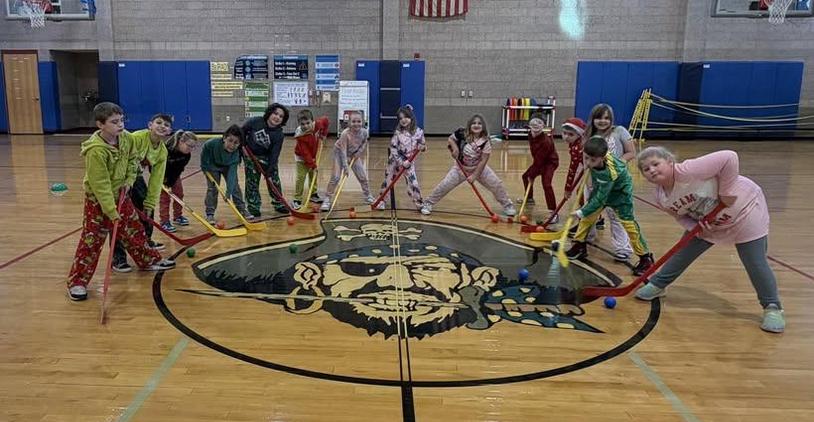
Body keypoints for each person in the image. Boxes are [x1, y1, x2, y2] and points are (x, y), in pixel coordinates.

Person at [635, 147, 784, 333]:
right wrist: (695, 228)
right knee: (684, 252)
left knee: (754, 261)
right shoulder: (660, 197)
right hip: (710, 223)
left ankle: (772, 307)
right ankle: (658, 284)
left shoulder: (689, 170)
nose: (652, 170)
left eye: (656, 164)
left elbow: (730, 157)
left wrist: (726, 192)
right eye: (646, 169)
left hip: (746, 211)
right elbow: (680, 216)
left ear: (670, 162)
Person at [67, 102, 175, 301]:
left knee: (134, 230)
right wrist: (111, 211)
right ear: (100, 125)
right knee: (91, 240)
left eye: (122, 120)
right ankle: (78, 282)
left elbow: (132, 160)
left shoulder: (125, 139)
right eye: (114, 122)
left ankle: (147, 260)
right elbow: (100, 184)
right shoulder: (96, 151)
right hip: (98, 201)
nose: (120, 125)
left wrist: (128, 181)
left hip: (122, 194)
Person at [566, 136, 654, 276]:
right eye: (586, 158)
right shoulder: (598, 157)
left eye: (592, 160)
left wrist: (580, 212)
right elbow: (599, 192)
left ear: (602, 158)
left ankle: (646, 258)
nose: (588, 163)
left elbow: (600, 199)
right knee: (587, 218)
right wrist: (585, 212)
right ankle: (579, 245)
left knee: (629, 225)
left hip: (620, 195)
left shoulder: (609, 172)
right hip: (602, 188)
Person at [421, 114, 516, 216]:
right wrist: (455, 148)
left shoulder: (486, 142)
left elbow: (483, 161)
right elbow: (451, 139)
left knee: (496, 184)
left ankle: (507, 205)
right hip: (460, 169)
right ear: (469, 125)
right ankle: (428, 203)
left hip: (479, 169)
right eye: (474, 123)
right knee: (445, 185)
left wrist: (475, 175)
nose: (476, 125)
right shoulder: (461, 133)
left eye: (479, 123)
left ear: (483, 126)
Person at [111, 113, 172, 272]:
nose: (162, 126)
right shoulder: (137, 137)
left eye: (166, 125)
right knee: (119, 217)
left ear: (169, 131)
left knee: (147, 209)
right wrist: (123, 183)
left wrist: (150, 203)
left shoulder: (162, 152)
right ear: (150, 125)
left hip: (134, 177)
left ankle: (146, 244)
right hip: (118, 177)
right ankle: (118, 258)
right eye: (158, 122)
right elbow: (122, 156)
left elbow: (156, 180)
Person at [586, 103, 637, 258]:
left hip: (616, 182)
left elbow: (631, 152)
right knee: (589, 212)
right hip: (596, 181)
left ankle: (623, 249)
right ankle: (584, 240)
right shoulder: (589, 136)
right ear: (593, 119)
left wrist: (614, 167)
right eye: (599, 117)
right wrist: (587, 181)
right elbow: (586, 160)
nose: (603, 121)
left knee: (615, 215)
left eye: (607, 118)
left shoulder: (619, 131)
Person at [242, 103, 289, 216]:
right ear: (269, 113)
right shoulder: (256, 121)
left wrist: (270, 170)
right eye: (275, 113)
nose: (277, 117)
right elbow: (241, 131)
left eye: (281, 116)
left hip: (267, 157)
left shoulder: (279, 135)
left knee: (274, 180)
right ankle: (253, 206)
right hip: (250, 155)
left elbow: (274, 154)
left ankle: (279, 203)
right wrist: (243, 147)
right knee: (252, 181)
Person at [375, 106, 426, 210]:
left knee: (413, 183)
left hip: (409, 163)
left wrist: (423, 147)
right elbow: (393, 148)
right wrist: (401, 162)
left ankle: (419, 204)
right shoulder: (398, 133)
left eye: (406, 117)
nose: (403, 120)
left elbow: (423, 144)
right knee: (388, 181)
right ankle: (381, 201)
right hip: (395, 161)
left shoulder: (419, 132)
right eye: (401, 118)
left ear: (411, 117)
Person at [320, 112, 372, 211]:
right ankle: (327, 199)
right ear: (349, 123)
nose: (356, 124)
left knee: (362, 176)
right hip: (339, 153)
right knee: (335, 177)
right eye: (353, 121)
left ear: (363, 122)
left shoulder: (364, 132)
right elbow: (343, 151)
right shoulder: (345, 134)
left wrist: (359, 153)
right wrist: (345, 167)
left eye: (359, 121)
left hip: (353, 155)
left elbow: (364, 143)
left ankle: (368, 196)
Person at [202, 125, 249, 223]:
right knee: (212, 188)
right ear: (224, 138)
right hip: (212, 166)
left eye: (236, 143)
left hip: (228, 166)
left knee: (235, 187)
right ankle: (210, 214)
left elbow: (231, 176)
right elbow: (205, 149)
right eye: (230, 140)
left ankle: (242, 209)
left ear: (240, 144)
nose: (232, 145)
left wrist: (228, 193)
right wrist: (204, 166)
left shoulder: (235, 156)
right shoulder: (212, 144)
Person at [517, 113, 558, 222]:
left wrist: (533, 174)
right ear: (529, 124)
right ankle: (529, 199)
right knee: (525, 176)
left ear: (544, 126)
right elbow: (537, 160)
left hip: (550, 163)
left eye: (539, 122)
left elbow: (540, 160)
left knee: (546, 184)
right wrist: (531, 174)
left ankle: (553, 212)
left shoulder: (546, 142)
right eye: (533, 122)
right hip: (539, 161)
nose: (536, 124)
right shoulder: (530, 134)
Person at [158, 130, 198, 233]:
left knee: (179, 195)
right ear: (181, 141)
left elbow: (179, 169)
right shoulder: (166, 150)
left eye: (193, 147)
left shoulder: (187, 155)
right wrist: (162, 180)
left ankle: (178, 216)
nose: (191, 149)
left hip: (175, 176)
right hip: (160, 177)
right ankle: (164, 221)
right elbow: (155, 165)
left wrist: (172, 180)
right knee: (164, 199)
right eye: (189, 146)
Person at [293, 110, 328, 209]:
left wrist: (323, 134)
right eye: (302, 124)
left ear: (312, 121)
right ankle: (297, 199)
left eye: (308, 123)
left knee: (313, 176)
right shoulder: (300, 136)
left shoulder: (317, 124)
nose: (305, 126)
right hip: (301, 158)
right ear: (299, 124)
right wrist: (312, 165)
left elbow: (325, 120)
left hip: (313, 156)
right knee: (301, 178)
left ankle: (313, 194)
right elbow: (305, 154)